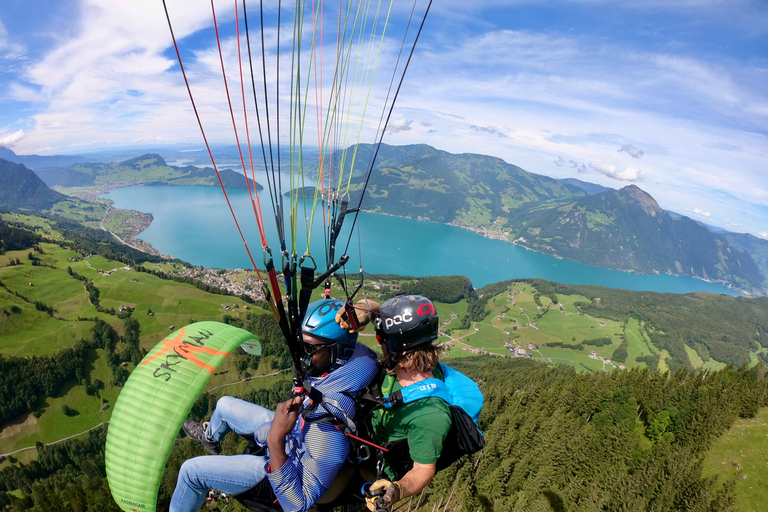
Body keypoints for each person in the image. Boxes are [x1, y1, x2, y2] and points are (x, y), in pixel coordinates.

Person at [170, 299, 379, 512]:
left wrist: (275, 438)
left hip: (285, 476)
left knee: (191, 471)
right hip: (296, 436)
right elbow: (390, 322)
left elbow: (298, 504)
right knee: (223, 406)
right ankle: (210, 439)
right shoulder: (352, 360)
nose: (301, 355)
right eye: (300, 345)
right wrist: (368, 307)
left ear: (339, 352)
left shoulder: (328, 423)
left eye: (309, 349)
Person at [338, 295, 453, 512]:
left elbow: (424, 469)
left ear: (393, 344)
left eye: (380, 338)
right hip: (361, 436)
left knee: (320, 496)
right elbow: (387, 318)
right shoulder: (407, 363)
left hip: (372, 465)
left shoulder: (431, 414)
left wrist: (396, 490)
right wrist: (366, 309)